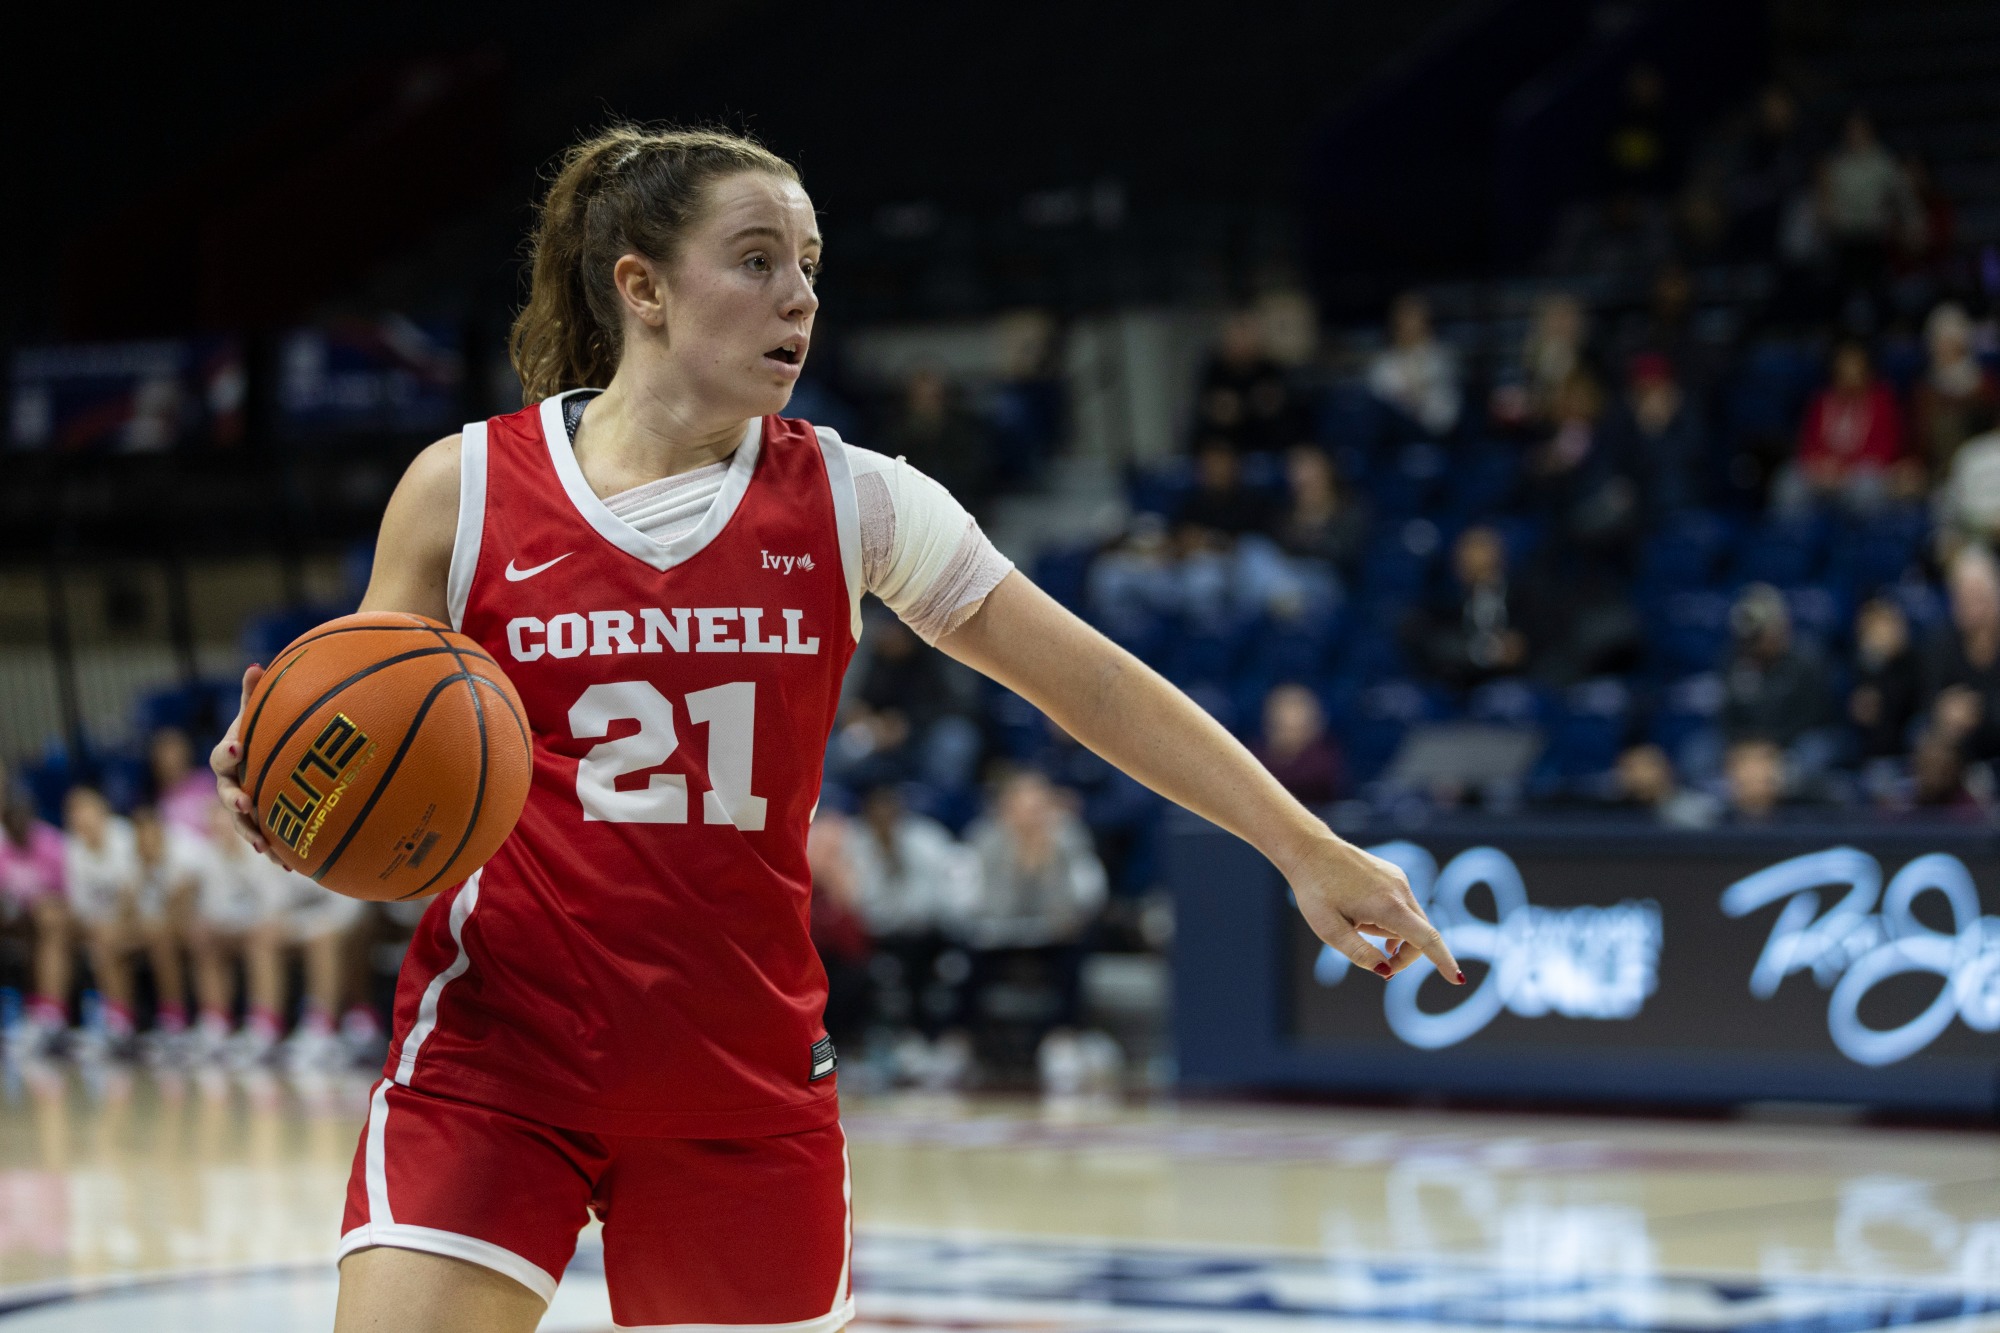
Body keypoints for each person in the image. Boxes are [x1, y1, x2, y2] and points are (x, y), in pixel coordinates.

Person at [207, 125, 1459, 1333]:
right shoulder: (463, 487)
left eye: (809, 266)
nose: (797, 297)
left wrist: (1303, 846)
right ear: (640, 286)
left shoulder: (859, 501)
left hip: (738, 1081)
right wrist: (282, 785)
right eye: (756, 260)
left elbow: (1093, 687)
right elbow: (365, 721)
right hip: (498, 1056)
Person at [1777, 339, 1913, 516]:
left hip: (1858, 472)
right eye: (1844, 366)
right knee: (1789, 481)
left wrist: (1844, 468)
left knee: (1867, 487)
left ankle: (1862, 539)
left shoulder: (1882, 401)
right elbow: (1808, 443)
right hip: (1824, 470)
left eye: (1855, 366)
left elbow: (1885, 449)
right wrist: (1822, 465)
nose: (1849, 372)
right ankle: (1791, 539)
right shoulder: (1821, 401)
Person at [0, 780, 70, 1054]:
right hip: (13, 923)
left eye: (23, 818)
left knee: (48, 919)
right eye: (11, 820)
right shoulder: (2, 848)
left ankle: (50, 1017)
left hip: (53, 920)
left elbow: (67, 897)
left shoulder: (51, 843)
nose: (18, 825)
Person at [128, 805, 199, 1055]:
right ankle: (120, 1025)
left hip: (202, 922)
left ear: (160, 832)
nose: (144, 841)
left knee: (161, 938)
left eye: (148, 834)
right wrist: (143, 872)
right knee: (112, 942)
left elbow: (181, 906)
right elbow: (129, 911)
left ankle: (175, 1022)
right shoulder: (135, 860)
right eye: (139, 836)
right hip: (160, 929)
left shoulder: (185, 851)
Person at [1911, 302, 1998, 475]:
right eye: (1940, 342)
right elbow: (1918, 438)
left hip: (1981, 467)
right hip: (1938, 470)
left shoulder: (1984, 384)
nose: (1944, 348)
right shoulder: (1925, 389)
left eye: (1950, 342)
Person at [1366, 292, 1461, 438]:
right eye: (1404, 318)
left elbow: (1446, 414)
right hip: (1393, 437)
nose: (1409, 325)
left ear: (1426, 322)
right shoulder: (1383, 364)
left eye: (1414, 317)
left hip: (1438, 435)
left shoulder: (1441, 358)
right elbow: (1379, 409)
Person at [1849, 597, 1920, 761]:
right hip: (1868, 749)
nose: (1880, 635)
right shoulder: (1862, 665)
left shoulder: (1913, 661)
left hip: (1907, 744)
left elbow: (1911, 705)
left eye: (1885, 626)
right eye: (1873, 629)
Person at [1253, 684, 1345, 806]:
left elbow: (1316, 785)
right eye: (1284, 708)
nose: (1290, 718)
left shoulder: (1325, 758)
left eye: (1297, 710)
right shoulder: (1255, 756)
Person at [149, 726, 217, 837]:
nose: (170, 760)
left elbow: (222, 818)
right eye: (164, 755)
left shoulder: (206, 781)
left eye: (174, 754)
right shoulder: (157, 799)